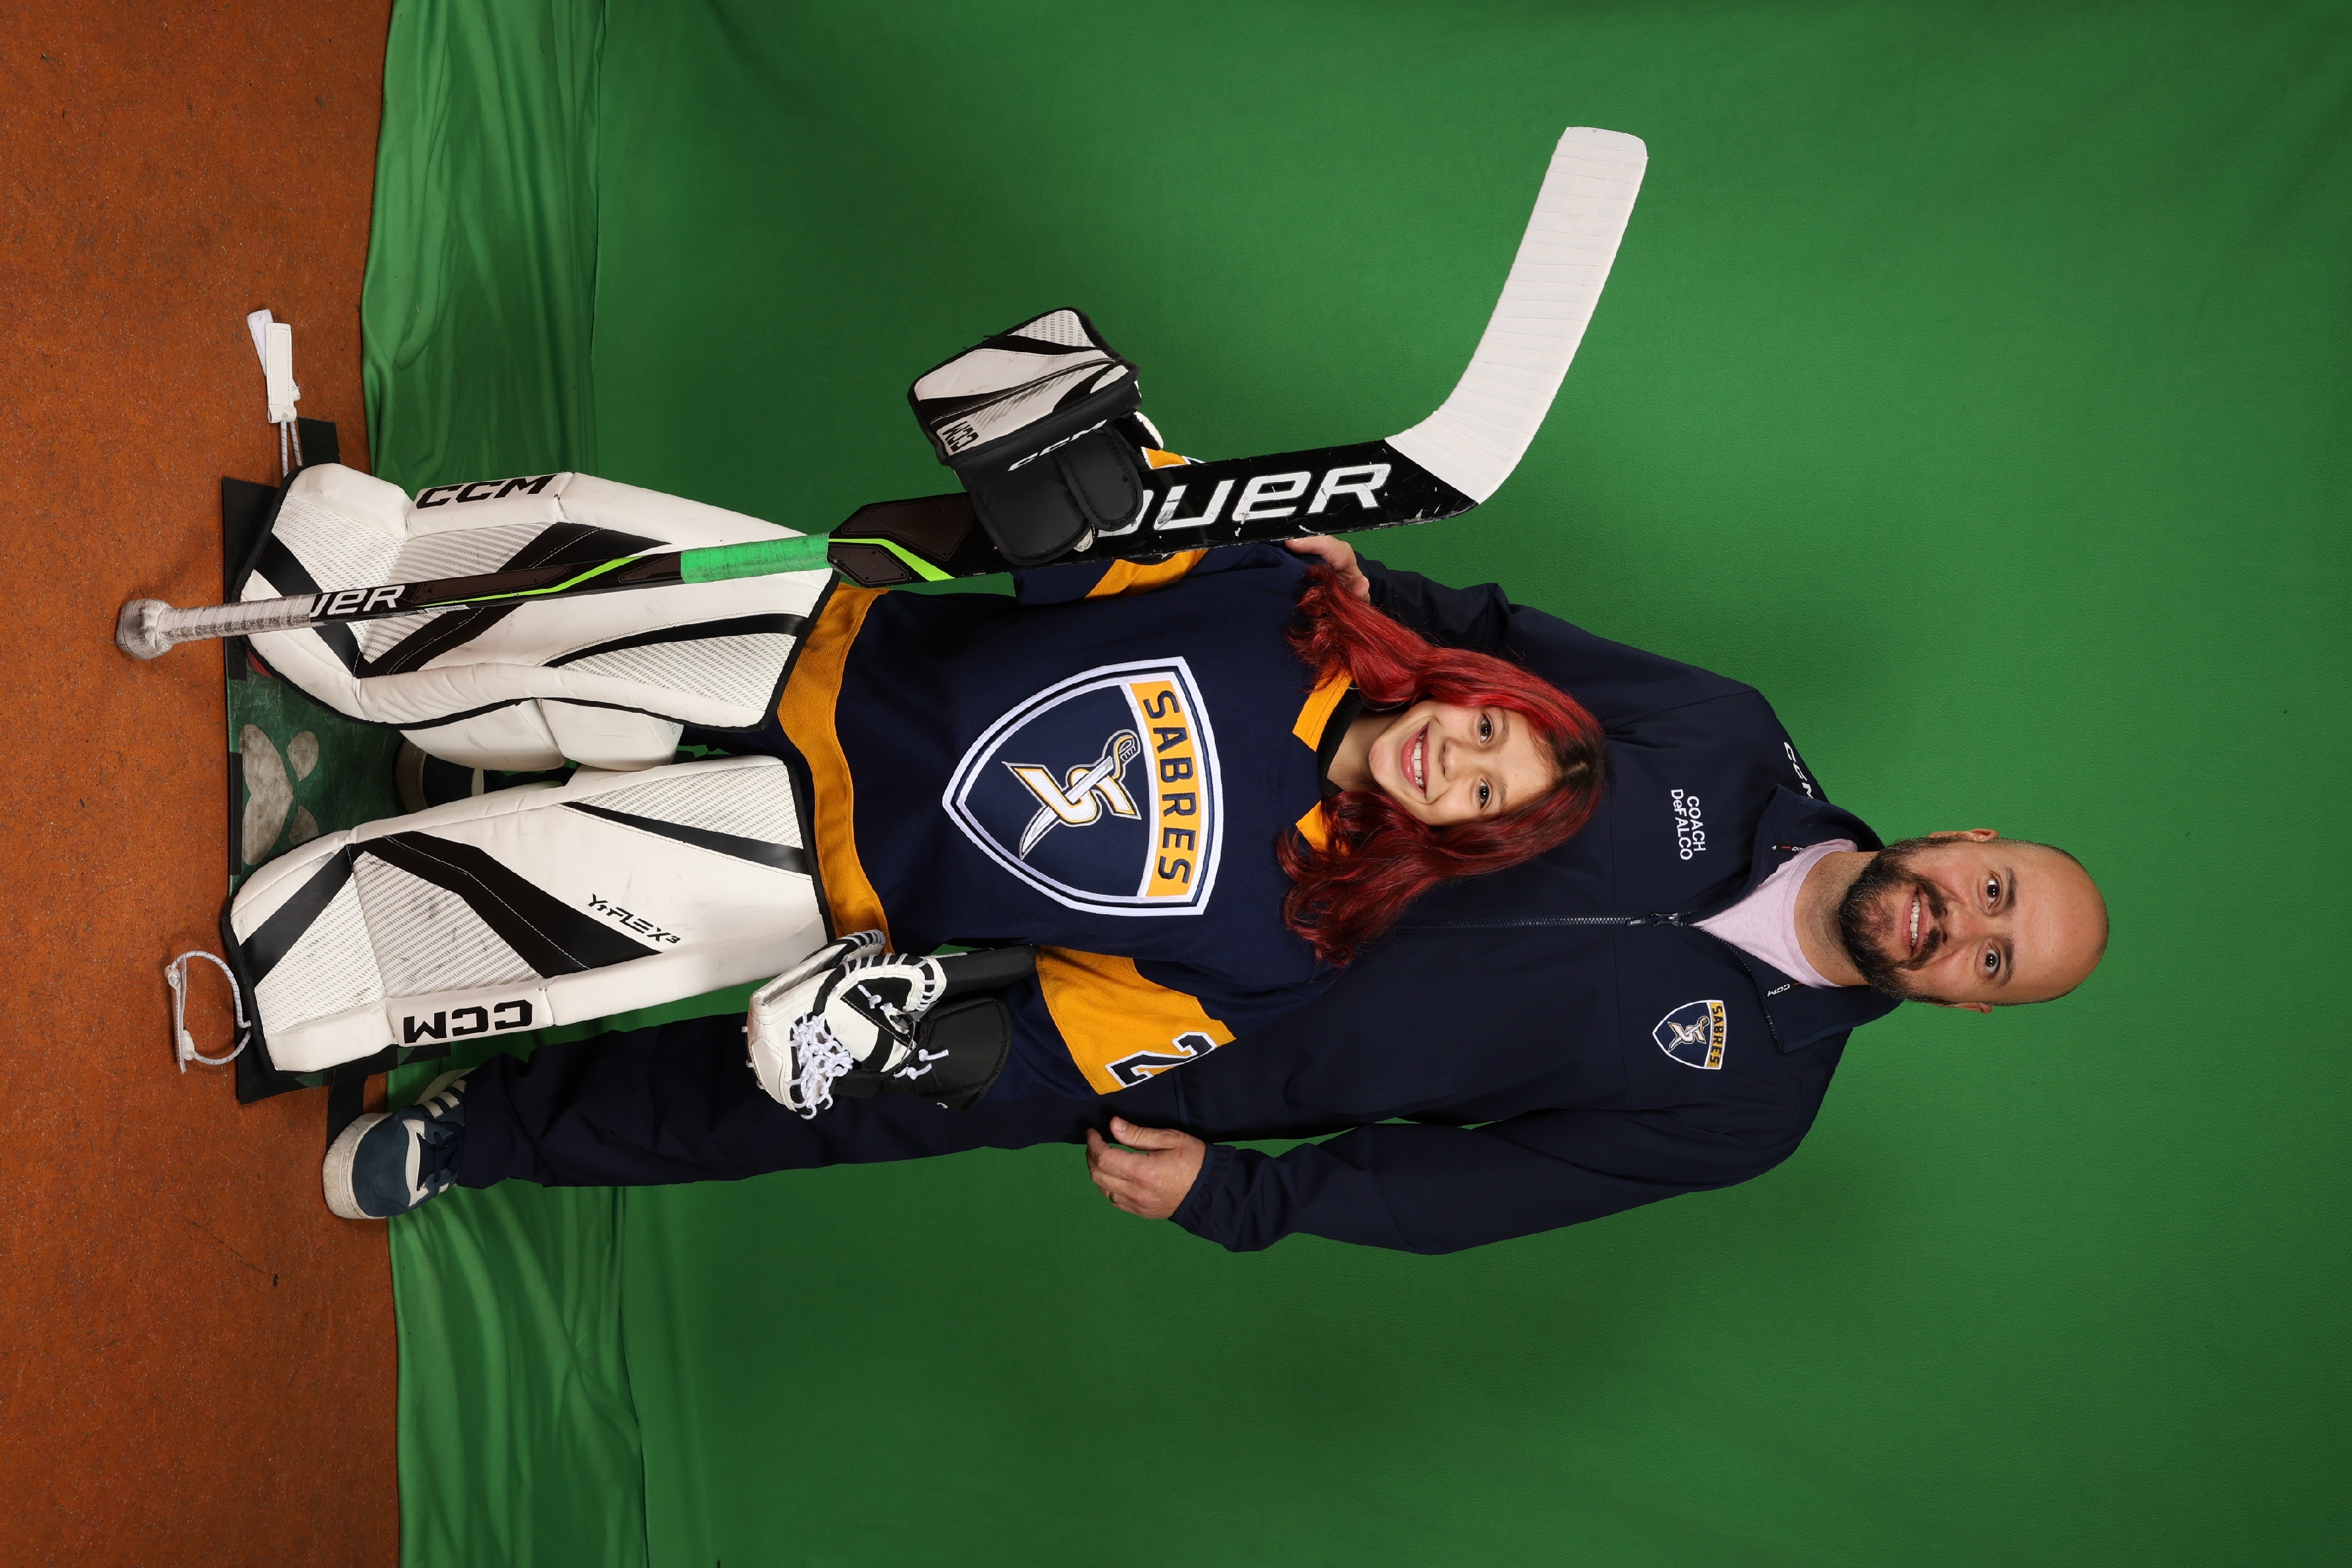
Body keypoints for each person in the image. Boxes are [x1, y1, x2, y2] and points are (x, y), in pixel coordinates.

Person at [327, 535, 2107, 1251]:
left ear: (1969, 1005)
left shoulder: (1750, 1109)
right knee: (910, 747)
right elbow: (1491, 645)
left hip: (1190, 1035)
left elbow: (1478, 1189)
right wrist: (1349, 583)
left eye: (1992, 961)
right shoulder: (1724, 739)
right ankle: (514, 769)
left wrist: (1243, 1195)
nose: (1959, 923)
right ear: (1967, 836)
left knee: (831, 1085)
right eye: (1990, 888)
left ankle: (490, 1129)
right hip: (1221, 794)